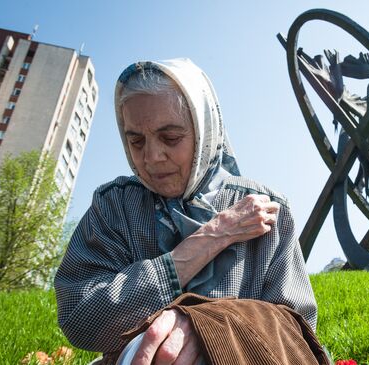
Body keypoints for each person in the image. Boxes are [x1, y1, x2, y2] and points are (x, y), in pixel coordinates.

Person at [54, 58, 318, 365]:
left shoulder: (265, 210)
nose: (151, 157)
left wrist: (208, 328)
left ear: (204, 130)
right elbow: (81, 319)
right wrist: (212, 237)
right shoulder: (116, 208)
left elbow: (297, 336)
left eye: (171, 138)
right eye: (136, 141)